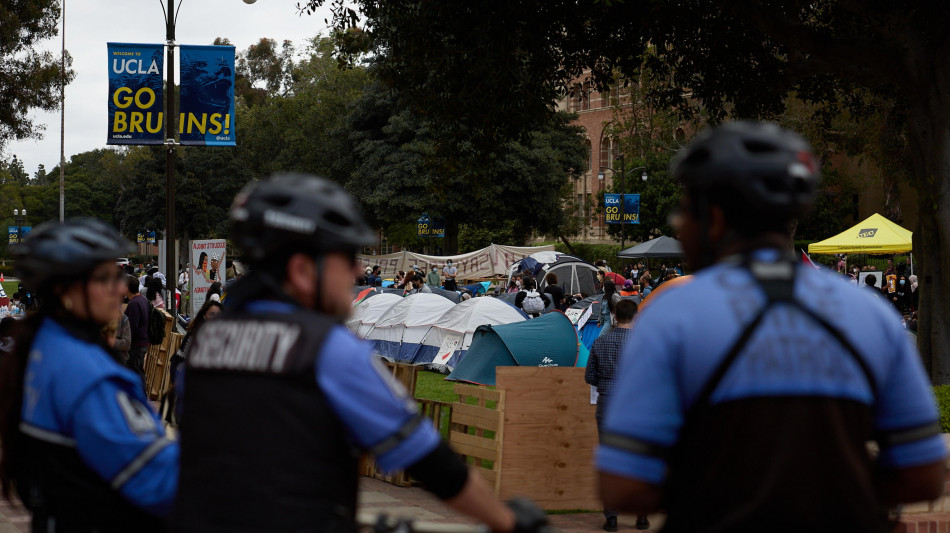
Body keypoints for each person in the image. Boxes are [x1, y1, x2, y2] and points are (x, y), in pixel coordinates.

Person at [596, 122, 946, 531]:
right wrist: (836, 488)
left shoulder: (672, 314)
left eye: (685, 212)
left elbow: (623, 486)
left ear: (714, 218)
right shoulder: (870, 313)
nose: (680, 226)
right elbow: (924, 474)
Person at [171, 173, 546, 533]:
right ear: (302, 270)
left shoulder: (209, 341)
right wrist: (508, 521)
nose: (358, 269)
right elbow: (429, 460)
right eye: (346, 256)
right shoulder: (326, 348)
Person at [0, 219, 178, 532]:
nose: (119, 288)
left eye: (117, 276)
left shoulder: (40, 345)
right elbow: (159, 480)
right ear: (63, 289)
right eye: (104, 278)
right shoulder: (87, 374)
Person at [584, 299, 649, 532]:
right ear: (636, 317)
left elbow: (589, 377)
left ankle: (611, 517)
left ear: (614, 317)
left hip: (608, 402)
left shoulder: (600, 342)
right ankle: (642, 515)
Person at [124, 274, 151, 382]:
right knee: (138, 371)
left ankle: (140, 391)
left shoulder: (134, 303)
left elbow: (132, 326)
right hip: (142, 342)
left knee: (135, 372)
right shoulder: (142, 299)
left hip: (136, 344)